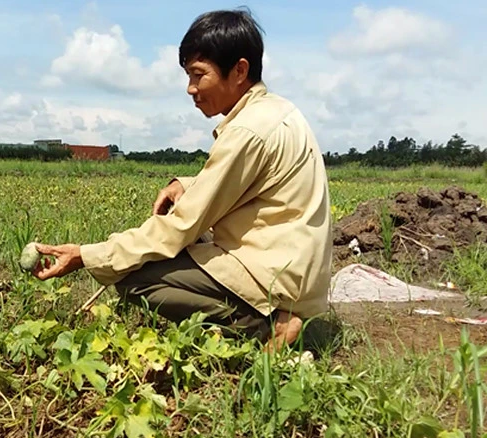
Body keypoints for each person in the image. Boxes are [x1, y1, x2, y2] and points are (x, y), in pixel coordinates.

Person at [30, 8, 332, 352]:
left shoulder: (246, 131)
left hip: (275, 278)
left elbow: (179, 228)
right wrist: (186, 184)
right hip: (293, 267)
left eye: (198, 75)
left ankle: (264, 325)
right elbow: (255, 180)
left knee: (135, 279)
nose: (190, 89)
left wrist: (87, 255)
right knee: (176, 245)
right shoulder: (276, 112)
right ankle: (274, 312)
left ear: (240, 70)